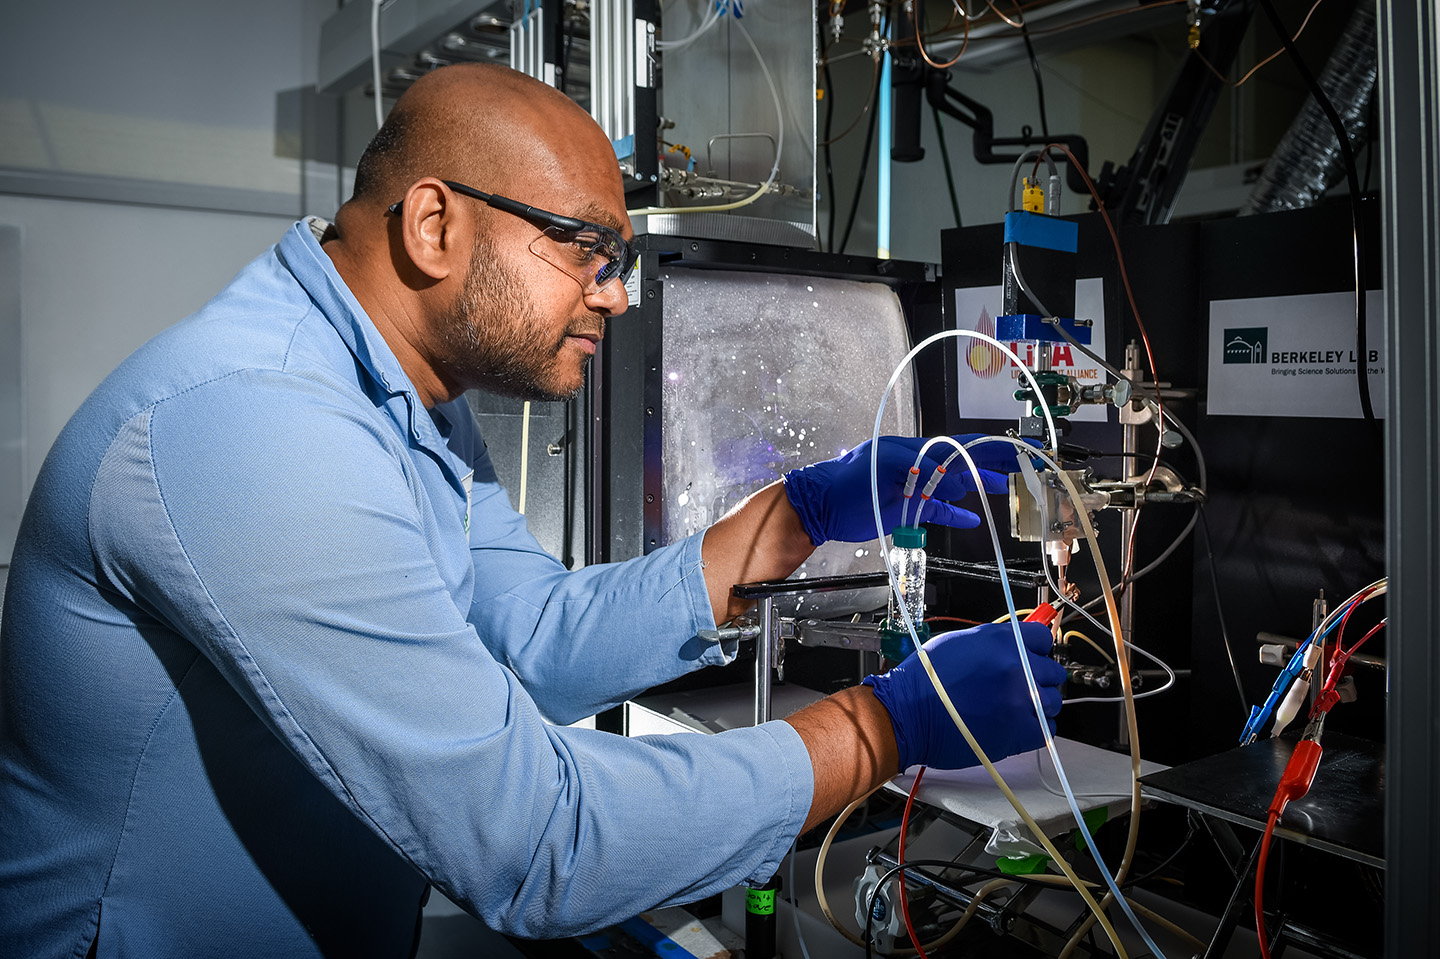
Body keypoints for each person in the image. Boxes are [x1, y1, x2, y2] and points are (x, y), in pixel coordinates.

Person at [0, 63, 1065, 958]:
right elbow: (535, 838)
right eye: (586, 247)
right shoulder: (254, 423)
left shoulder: (405, 401)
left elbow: (526, 637)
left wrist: (795, 515)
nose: (618, 293)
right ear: (432, 222)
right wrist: (881, 725)